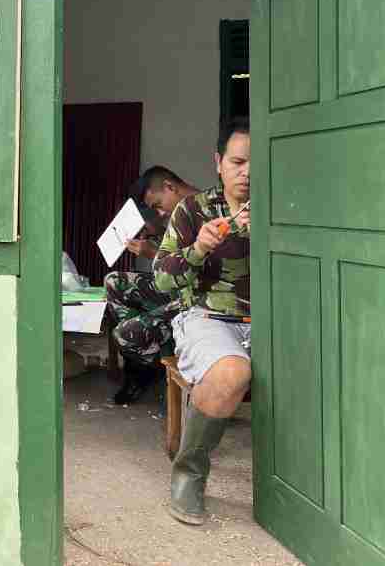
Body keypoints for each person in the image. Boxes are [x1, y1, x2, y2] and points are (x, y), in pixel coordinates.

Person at [153, 117, 251, 526]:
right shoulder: (193, 210)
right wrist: (197, 249)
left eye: (257, 164)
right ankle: (189, 474)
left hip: (275, 320)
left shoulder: (283, 206)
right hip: (208, 316)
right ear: (218, 162)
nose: (247, 173)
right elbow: (161, 279)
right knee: (231, 372)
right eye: (238, 162)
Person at [105, 167, 199, 404]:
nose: (160, 212)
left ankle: (146, 360)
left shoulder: (204, 210)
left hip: (194, 297)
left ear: (170, 187)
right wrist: (155, 236)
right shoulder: (177, 212)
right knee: (115, 281)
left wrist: (153, 253)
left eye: (158, 205)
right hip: (172, 289)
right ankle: (141, 360)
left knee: (124, 334)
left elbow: (196, 271)